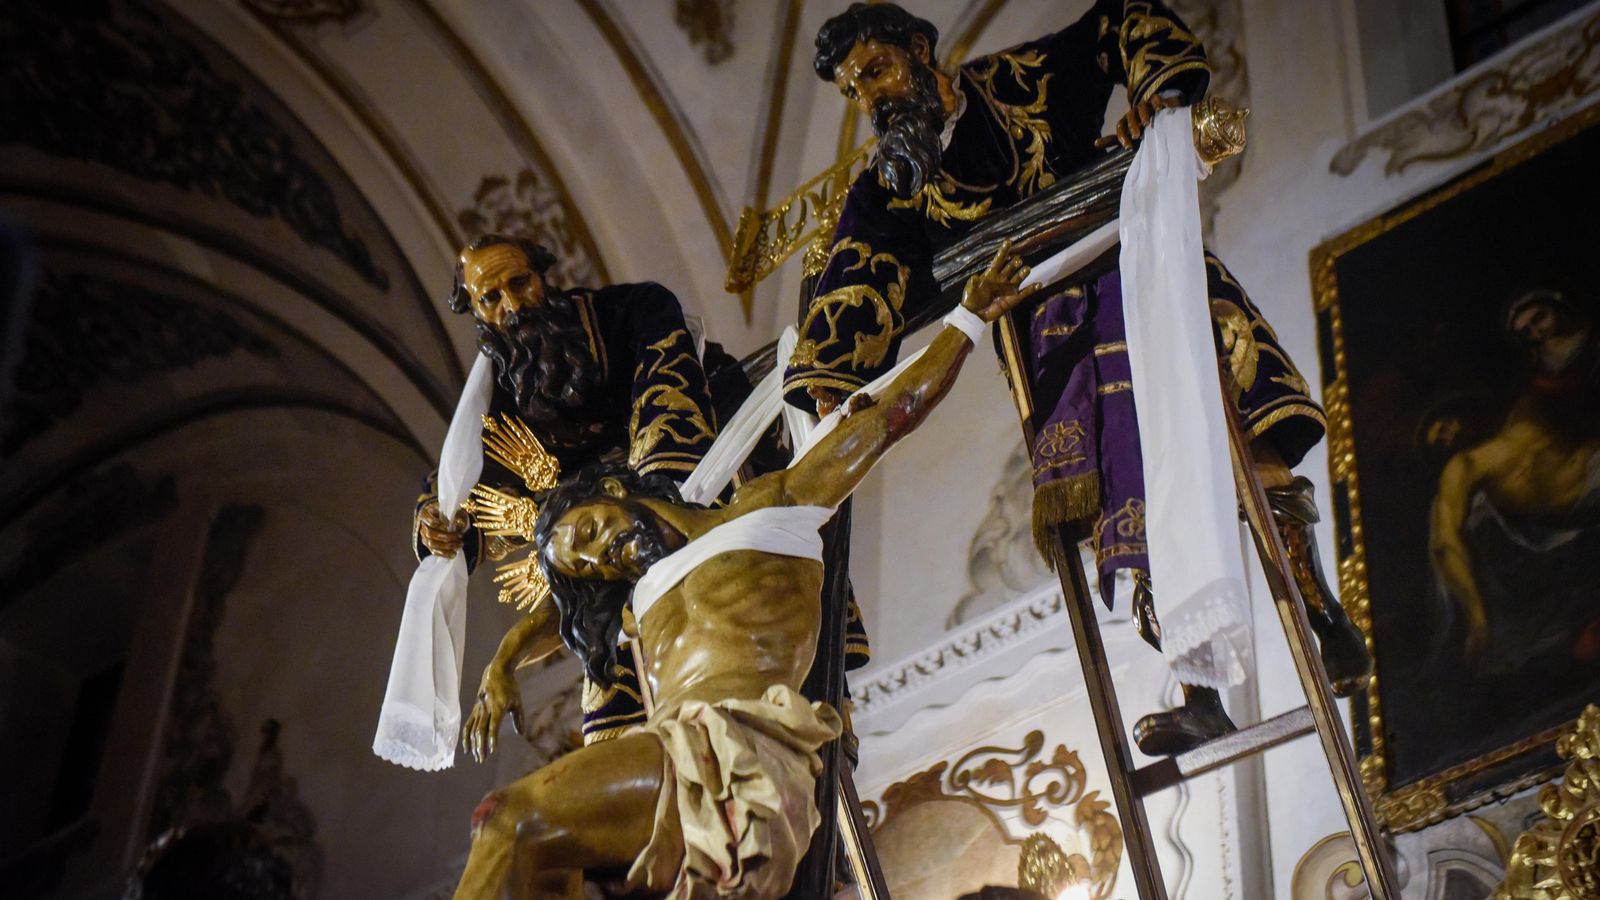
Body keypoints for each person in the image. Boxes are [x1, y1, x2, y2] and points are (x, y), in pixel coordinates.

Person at [785, 1, 1368, 753]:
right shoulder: (888, 189)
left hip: (1142, 269)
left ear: (920, 50)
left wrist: (1152, 100)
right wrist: (831, 392)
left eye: (874, 71)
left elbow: (1121, 20)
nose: (870, 100)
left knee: (1243, 448)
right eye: (852, 92)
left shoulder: (1027, 78)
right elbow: (854, 281)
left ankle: (1318, 607)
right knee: (1128, 511)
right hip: (1052, 345)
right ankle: (1200, 690)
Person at [452, 249, 1039, 899]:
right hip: (676, 769)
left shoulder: (768, 511)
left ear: (614, 491)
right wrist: (502, 666)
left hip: (739, 756)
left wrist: (968, 319)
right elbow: (557, 620)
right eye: (586, 564)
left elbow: (885, 419)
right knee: (549, 858)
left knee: (506, 820)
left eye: (589, 533)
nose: (601, 556)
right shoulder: (641, 591)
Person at [1430, 290, 1600, 670]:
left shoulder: (1528, 405)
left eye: (1445, 424)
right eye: (1438, 440)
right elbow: (1445, 542)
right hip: (1558, 524)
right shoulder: (1465, 467)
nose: (1449, 435)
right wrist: (1478, 621)